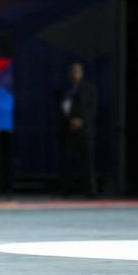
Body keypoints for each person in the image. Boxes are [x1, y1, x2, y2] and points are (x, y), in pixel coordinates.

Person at [58, 62, 98, 196]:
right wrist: (70, 121)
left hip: (84, 131)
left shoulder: (89, 89)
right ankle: (66, 191)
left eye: (77, 71)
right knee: (67, 161)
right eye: (72, 71)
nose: (74, 73)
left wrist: (81, 121)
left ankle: (90, 191)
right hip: (68, 130)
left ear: (81, 73)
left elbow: (92, 108)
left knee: (87, 163)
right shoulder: (65, 89)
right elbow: (60, 108)